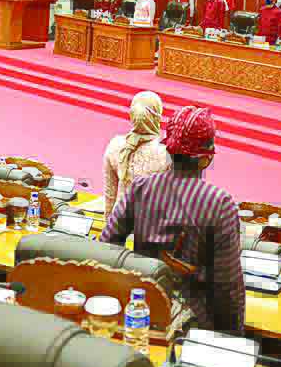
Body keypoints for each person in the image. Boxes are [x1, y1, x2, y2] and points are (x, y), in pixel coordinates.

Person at [101, 106, 245, 333]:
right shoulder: (219, 203)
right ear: (206, 159)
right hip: (191, 327)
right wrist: (233, 339)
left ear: (169, 149)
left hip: (139, 310)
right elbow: (227, 288)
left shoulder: (141, 188)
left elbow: (107, 245)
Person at [102, 91, 170, 214]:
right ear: (157, 118)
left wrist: (108, 224)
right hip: (150, 224)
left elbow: (109, 196)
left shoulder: (115, 145)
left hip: (119, 221)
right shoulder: (166, 155)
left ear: (132, 115)